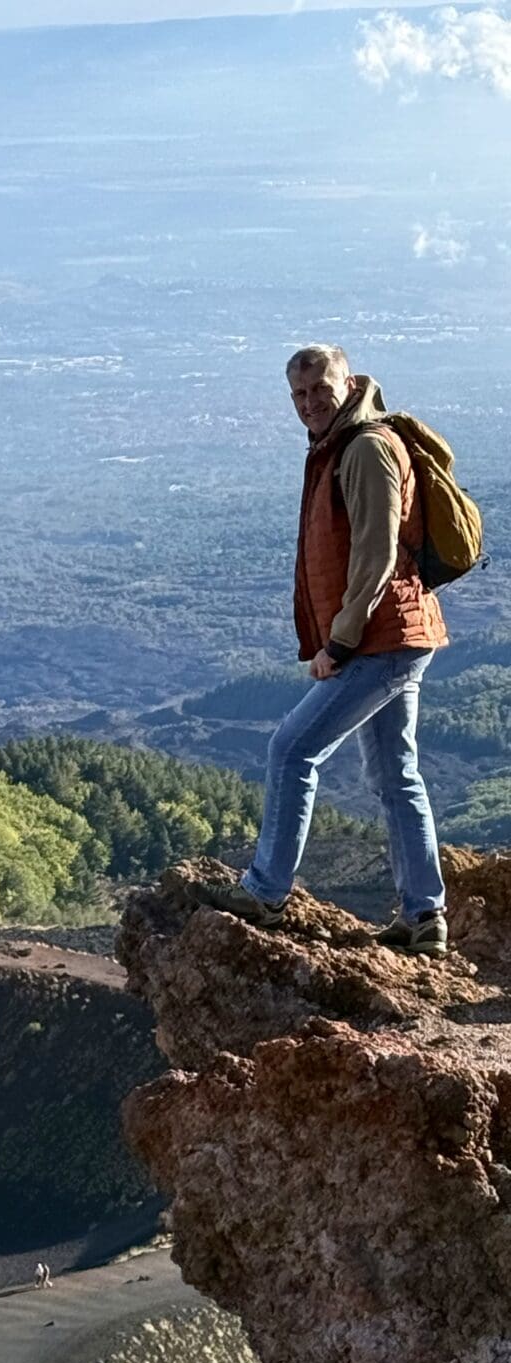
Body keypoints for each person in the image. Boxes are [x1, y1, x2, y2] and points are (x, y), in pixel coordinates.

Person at [196, 344, 449, 957]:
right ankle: (424, 916)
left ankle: (265, 892)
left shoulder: (364, 448)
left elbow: (377, 554)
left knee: (292, 748)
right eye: (299, 396)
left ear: (349, 383)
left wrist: (340, 639)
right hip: (396, 633)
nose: (310, 404)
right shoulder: (339, 445)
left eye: (319, 391)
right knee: (396, 774)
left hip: (380, 638)